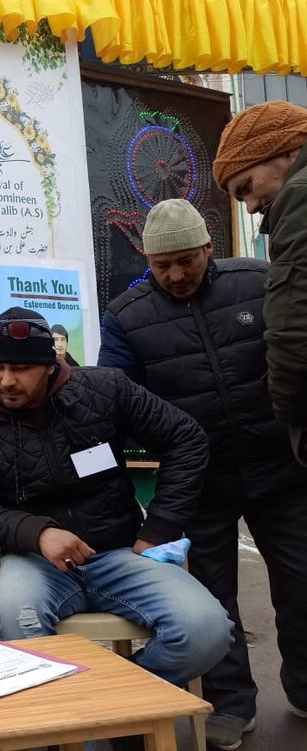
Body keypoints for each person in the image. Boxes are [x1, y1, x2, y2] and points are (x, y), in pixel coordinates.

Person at [0, 307, 232, 726]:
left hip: (119, 552)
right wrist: (37, 532)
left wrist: (160, 527)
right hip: (33, 562)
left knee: (206, 630)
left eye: (21, 368)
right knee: (19, 620)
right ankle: (77, 732)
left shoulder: (104, 388)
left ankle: (114, 713)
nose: (6, 380)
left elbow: (185, 438)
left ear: (49, 365)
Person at [98, 198, 307, 748]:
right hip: (198, 481)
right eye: (162, 265)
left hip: (280, 469)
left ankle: (305, 687)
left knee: (302, 583)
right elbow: (116, 400)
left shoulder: (256, 283)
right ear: (147, 258)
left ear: (209, 249)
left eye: (186, 261)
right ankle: (231, 705)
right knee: (216, 598)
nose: (175, 275)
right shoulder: (126, 315)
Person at [213, 101, 307, 466]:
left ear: (287, 150)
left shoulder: (297, 195)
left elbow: (292, 331)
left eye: (247, 187)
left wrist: (292, 418)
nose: (250, 207)